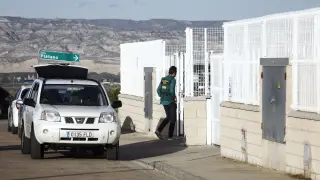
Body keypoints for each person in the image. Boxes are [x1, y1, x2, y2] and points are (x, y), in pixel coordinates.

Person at [155, 66, 177, 140]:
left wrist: (162, 96)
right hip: (170, 101)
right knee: (173, 118)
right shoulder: (173, 80)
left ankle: (158, 130)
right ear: (174, 73)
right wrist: (174, 97)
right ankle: (170, 136)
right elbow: (171, 90)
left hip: (164, 101)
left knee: (169, 117)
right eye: (175, 73)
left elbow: (158, 90)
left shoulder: (163, 79)